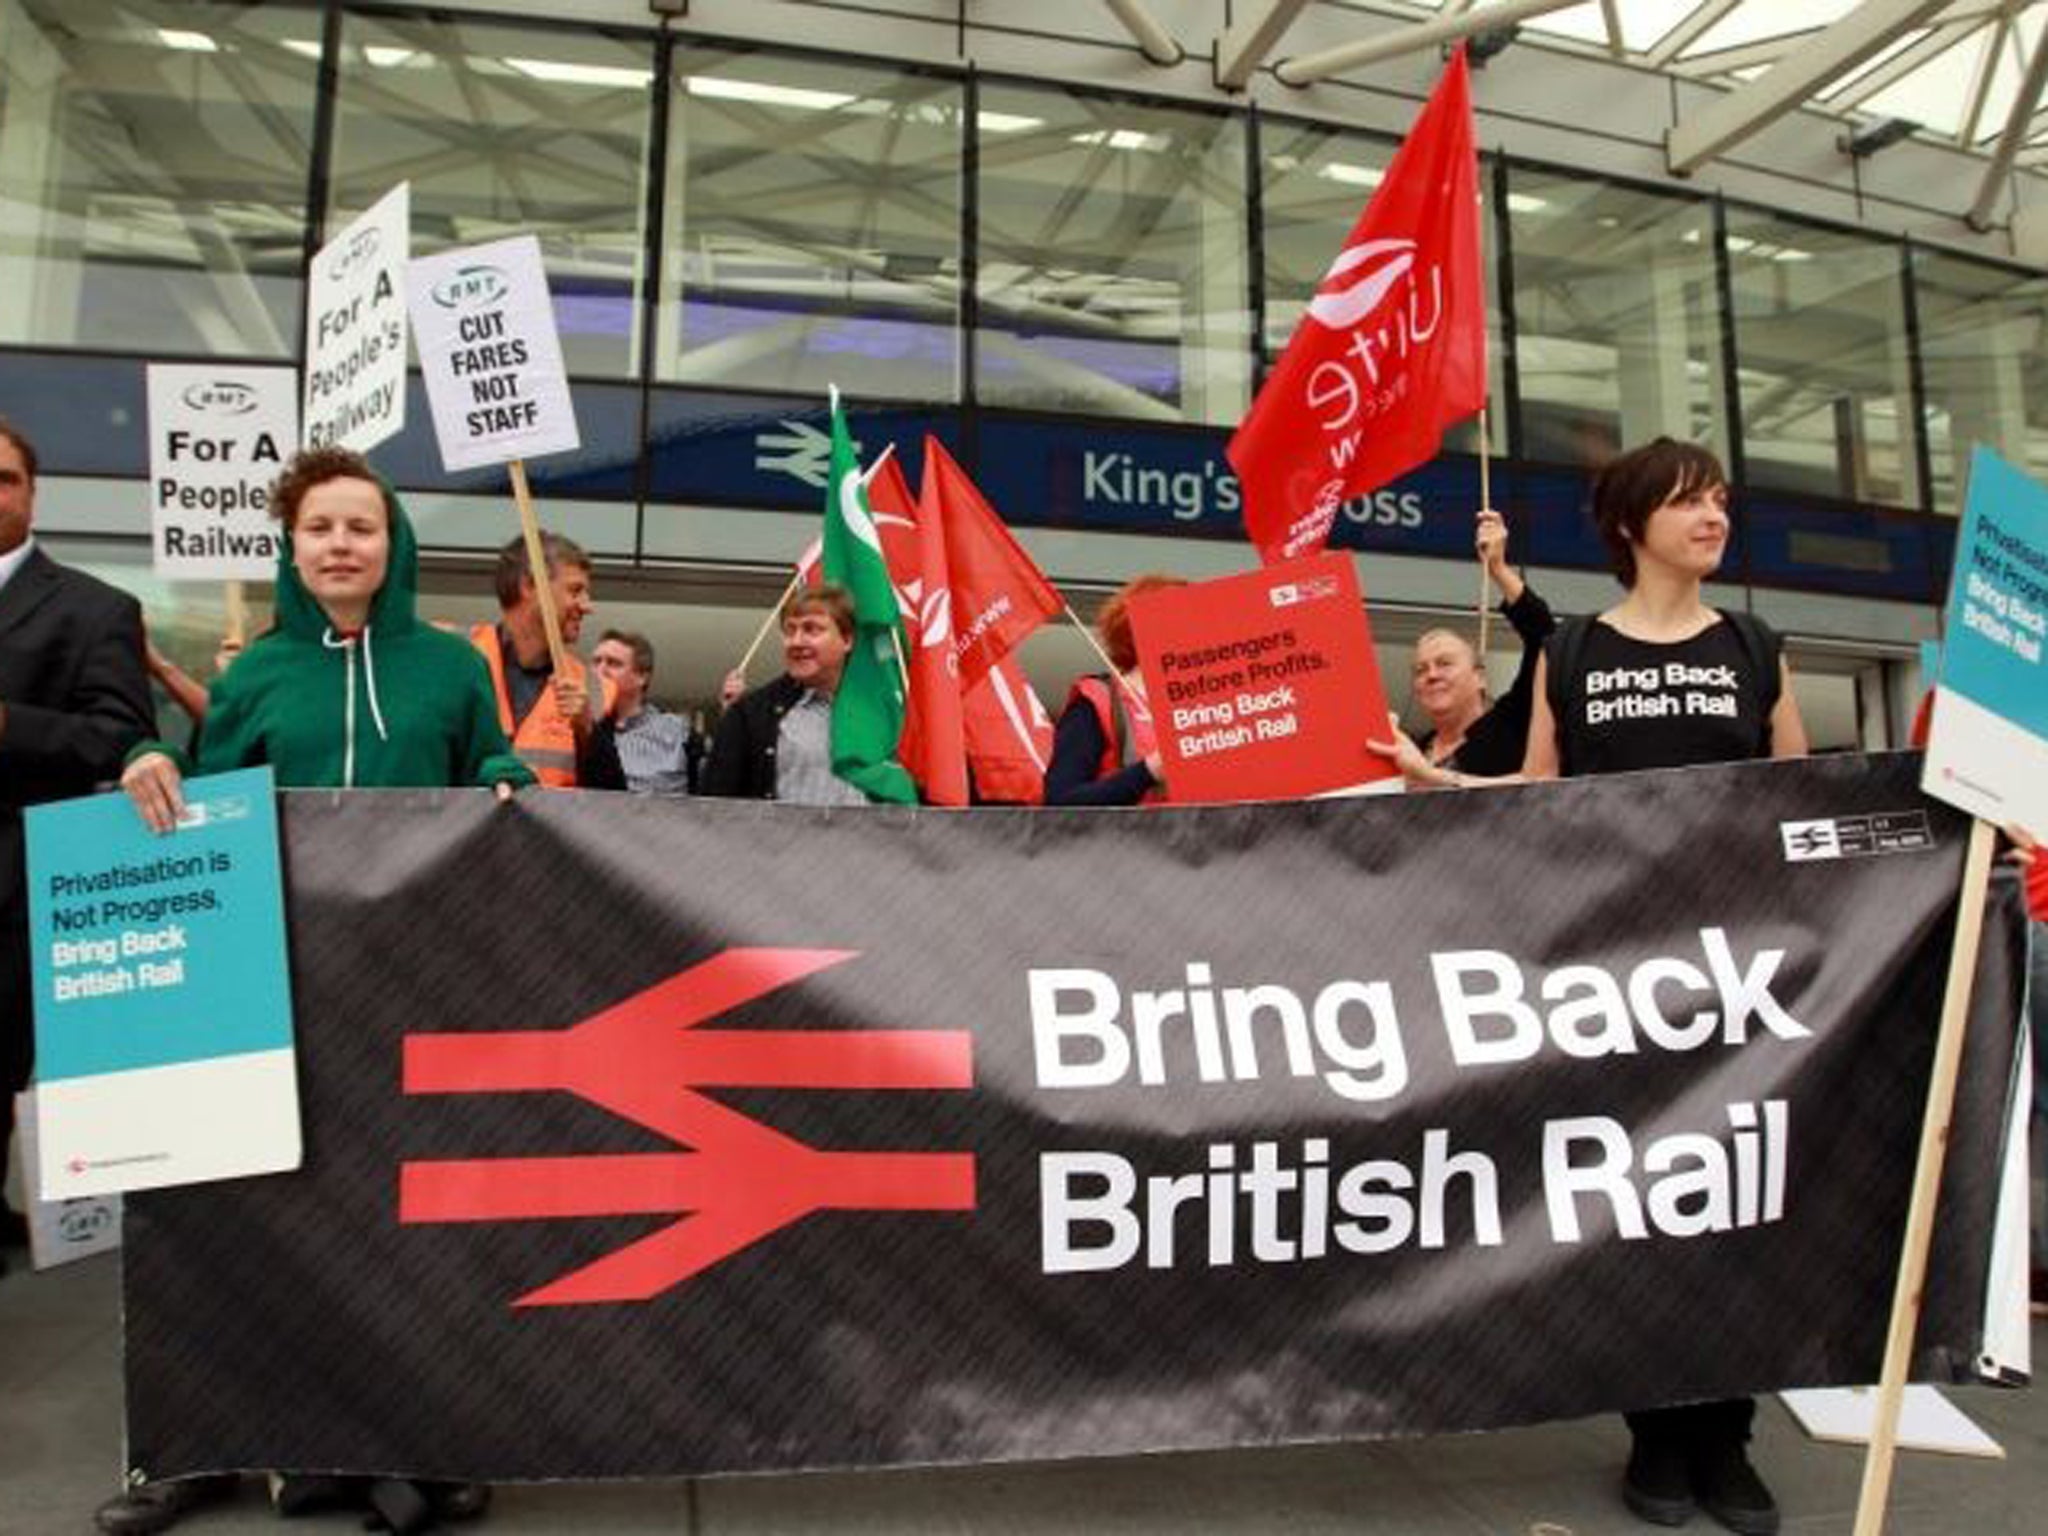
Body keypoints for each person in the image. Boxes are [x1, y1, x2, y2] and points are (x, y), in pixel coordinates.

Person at [109, 446, 524, 1536]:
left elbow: (487, 764)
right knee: (230, 1215)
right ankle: (199, 1448)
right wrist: (150, 761)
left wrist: (505, 781)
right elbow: (200, 798)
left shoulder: (451, 667)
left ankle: (413, 1441)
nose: (342, 545)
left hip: (407, 986)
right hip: (267, 980)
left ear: (394, 547)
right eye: (320, 529)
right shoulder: (252, 678)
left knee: (402, 1218)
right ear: (292, 550)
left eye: (362, 527)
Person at [1526, 437, 1806, 1536]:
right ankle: (1653, 1429)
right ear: (1629, 523)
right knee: (1635, 1211)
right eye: (1688, 499)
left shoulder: (1754, 645)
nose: (1711, 516)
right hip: (1616, 983)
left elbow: (1800, 804)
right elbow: (1533, 805)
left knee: (1736, 1208)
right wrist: (1428, 785)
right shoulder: (1568, 652)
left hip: (1742, 984)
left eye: (1719, 499)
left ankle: (1724, 1439)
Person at [0, 417, 154, 1276]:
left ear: (31, 492)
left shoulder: (94, 608)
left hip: (14, 892)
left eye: (4, 479)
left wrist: (7, 726)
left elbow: (117, 737)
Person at [468, 532, 624, 791]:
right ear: (530, 586)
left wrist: (588, 732)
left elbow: (613, 803)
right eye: (575, 591)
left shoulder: (595, 690)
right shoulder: (459, 661)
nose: (587, 606)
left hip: (547, 832)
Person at [1409, 508, 1556, 778]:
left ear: (1479, 677)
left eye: (1444, 663)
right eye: (1420, 669)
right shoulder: (1412, 752)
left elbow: (1544, 637)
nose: (1431, 675)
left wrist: (1498, 569)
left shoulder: (1511, 723)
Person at [701, 584, 872, 805]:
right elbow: (714, 811)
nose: (796, 642)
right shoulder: (749, 715)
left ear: (847, 640)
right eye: (790, 630)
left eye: (811, 629)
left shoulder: (890, 710)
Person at [1044, 574, 1185, 806]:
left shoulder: (1219, 704)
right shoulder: (1099, 701)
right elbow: (1060, 802)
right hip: (1126, 840)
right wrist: (1148, 771)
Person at [591, 628, 692, 794]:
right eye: (596, 662)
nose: (600, 671)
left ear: (642, 677)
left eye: (613, 663)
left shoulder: (677, 731)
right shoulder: (576, 726)